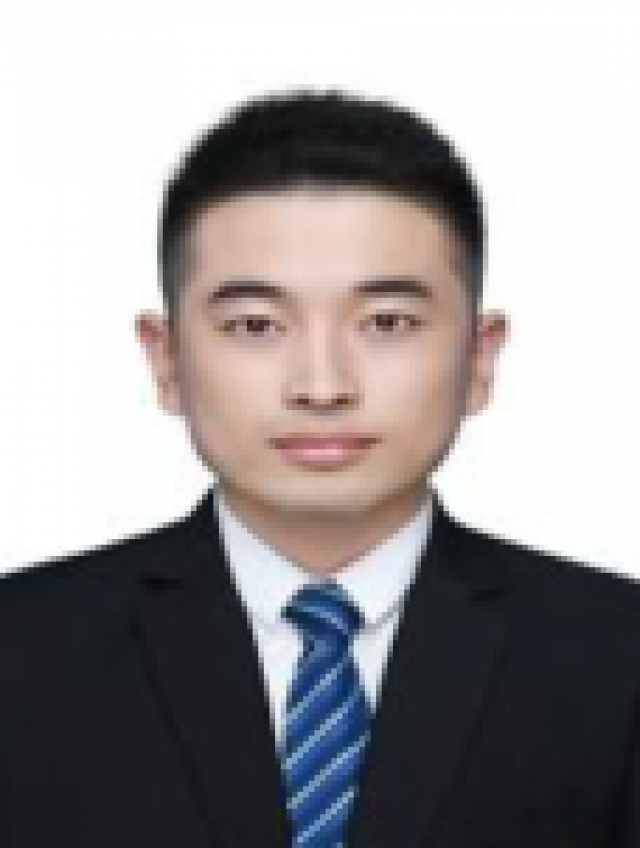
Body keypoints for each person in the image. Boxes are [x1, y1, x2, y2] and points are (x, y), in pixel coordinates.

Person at [1, 88, 638, 848]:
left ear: (479, 358)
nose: (323, 385)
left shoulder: (616, 657)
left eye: (387, 322)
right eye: (256, 325)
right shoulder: (21, 654)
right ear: (166, 360)